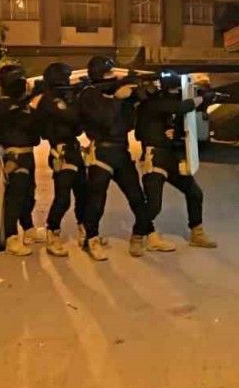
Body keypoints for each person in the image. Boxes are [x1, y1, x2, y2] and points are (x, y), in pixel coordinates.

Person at [78, 56, 156, 260]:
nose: (113, 76)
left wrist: (137, 95)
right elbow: (103, 119)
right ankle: (91, 239)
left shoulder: (114, 90)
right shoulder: (89, 95)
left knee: (137, 197)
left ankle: (144, 233)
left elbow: (129, 121)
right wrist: (117, 99)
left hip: (121, 152)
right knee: (96, 201)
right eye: (108, 73)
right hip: (101, 152)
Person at [135, 73, 219, 250]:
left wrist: (171, 132)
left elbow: (183, 120)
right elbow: (183, 107)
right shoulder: (153, 104)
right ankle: (137, 236)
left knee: (194, 193)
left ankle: (197, 233)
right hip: (154, 158)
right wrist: (202, 98)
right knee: (153, 206)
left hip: (169, 157)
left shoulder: (162, 106)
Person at [31, 62, 88, 258]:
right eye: (66, 77)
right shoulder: (49, 100)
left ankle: (85, 230)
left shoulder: (62, 98)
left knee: (82, 194)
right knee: (63, 198)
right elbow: (71, 117)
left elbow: (78, 127)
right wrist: (75, 100)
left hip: (73, 149)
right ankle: (53, 232)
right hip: (61, 151)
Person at [0, 63, 44, 256]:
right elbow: (5, 122)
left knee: (29, 195)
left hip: (28, 155)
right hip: (14, 157)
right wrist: (32, 96)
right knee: (15, 197)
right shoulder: (4, 106)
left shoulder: (25, 107)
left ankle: (28, 228)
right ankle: (12, 236)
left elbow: (35, 132)